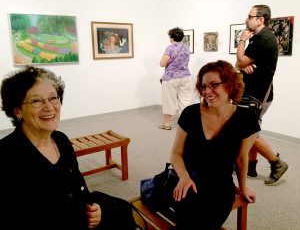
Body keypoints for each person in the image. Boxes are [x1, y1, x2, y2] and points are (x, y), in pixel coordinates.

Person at [0, 67, 135, 230]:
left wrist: (96, 212)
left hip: (83, 216)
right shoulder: (6, 154)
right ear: (17, 111)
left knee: (124, 211)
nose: (49, 107)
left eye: (53, 98)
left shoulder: (61, 139)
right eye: (36, 101)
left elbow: (79, 187)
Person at [170, 60, 258, 229]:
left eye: (214, 85)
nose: (207, 92)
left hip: (220, 187)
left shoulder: (246, 119)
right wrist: (184, 176)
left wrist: (243, 187)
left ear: (231, 85)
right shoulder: (190, 113)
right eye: (203, 86)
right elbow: (176, 154)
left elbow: (241, 158)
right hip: (188, 181)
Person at [235, 4, 289, 185]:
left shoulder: (263, 39)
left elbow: (241, 61)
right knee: (252, 128)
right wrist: (242, 64)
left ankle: (277, 163)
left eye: (249, 16)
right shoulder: (259, 37)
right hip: (253, 92)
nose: (246, 19)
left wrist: (241, 41)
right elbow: (240, 64)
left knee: (248, 131)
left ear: (260, 19)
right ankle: (251, 166)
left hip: (258, 95)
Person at [158, 27, 193, 130]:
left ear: (171, 37)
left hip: (171, 78)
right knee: (185, 101)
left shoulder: (170, 48)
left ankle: (167, 125)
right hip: (186, 76)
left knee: (169, 101)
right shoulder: (186, 47)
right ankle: (185, 124)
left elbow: (162, 63)